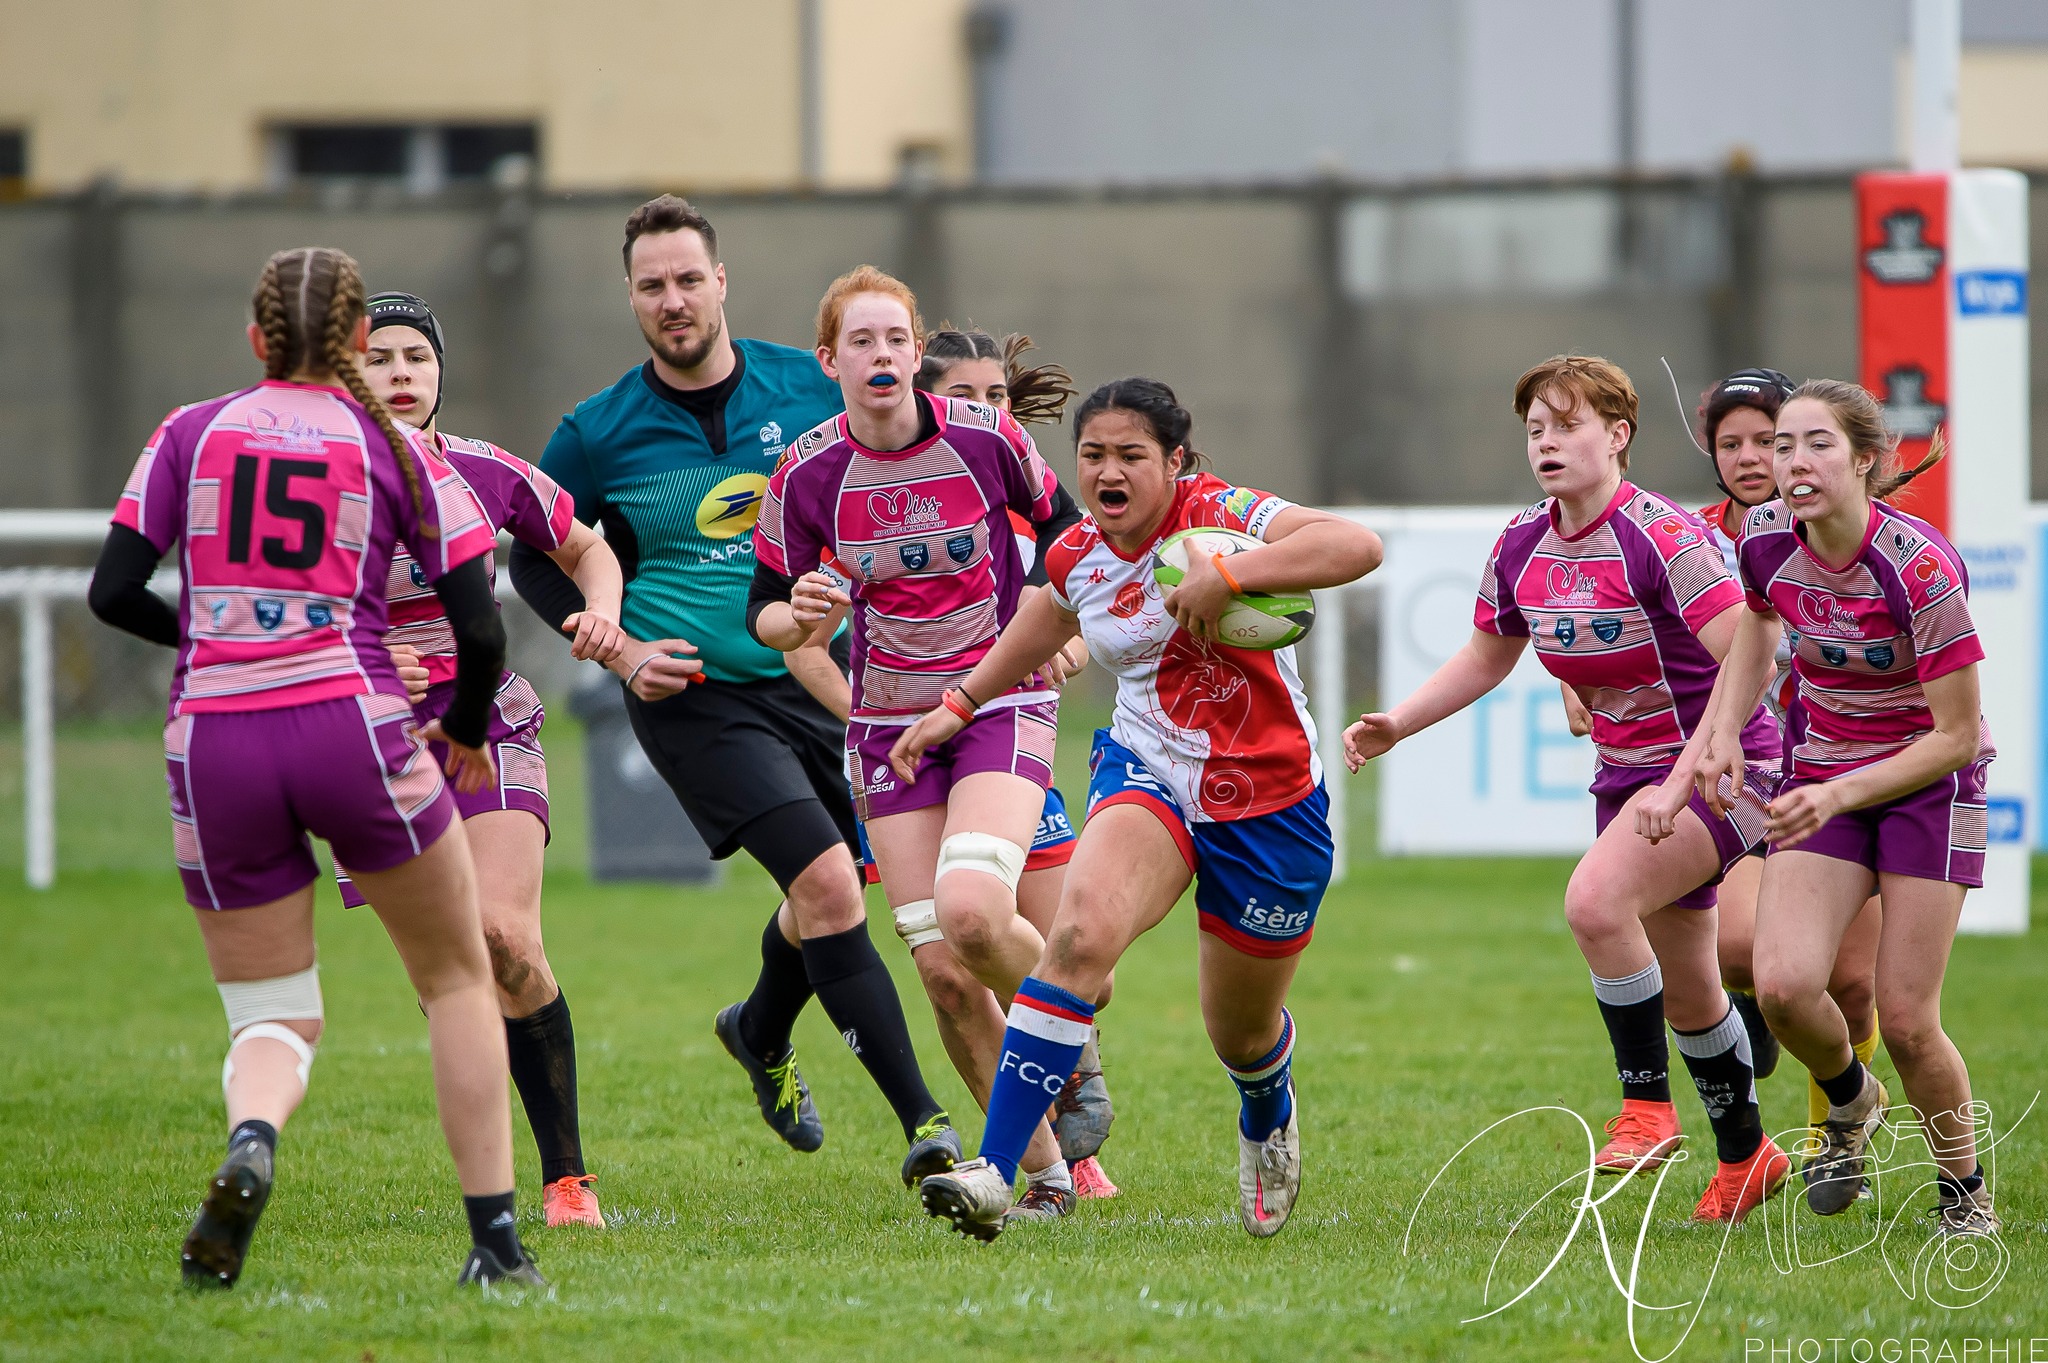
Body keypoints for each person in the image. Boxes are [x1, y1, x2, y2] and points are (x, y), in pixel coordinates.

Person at [87, 246, 543, 1288]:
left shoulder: (190, 431)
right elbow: (481, 631)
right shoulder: (393, 446)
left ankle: (254, 1138)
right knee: (456, 977)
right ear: (350, 346)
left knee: (271, 1010)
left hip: (214, 739)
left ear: (255, 339)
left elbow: (112, 592)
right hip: (351, 722)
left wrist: (214, 646)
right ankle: (497, 1244)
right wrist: (466, 728)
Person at [509, 197, 957, 1183]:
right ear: (631, 297)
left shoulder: (810, 387)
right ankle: (926, 1125)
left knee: (827, 891)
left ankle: (756, 1029)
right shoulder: (595, 433)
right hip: (694, 694)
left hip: (824, 679)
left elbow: (903, 463)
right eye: (651, 285)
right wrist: (619, 647)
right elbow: (535, 556)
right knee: (832, 884)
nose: (672, 300)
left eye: (686, 279)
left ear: (721, 282)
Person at [896, 377, 1380, 1240]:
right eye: (1092, 455)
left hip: (1269, 802)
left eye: (1130, 455)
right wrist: (959, 704)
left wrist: (1231, 572)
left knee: (1239, 1032)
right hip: (1147, 770)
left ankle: (1266, 1100)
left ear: (1176, 462)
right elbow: (1045, 620)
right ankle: (1000, 1170)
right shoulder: (1077, 551)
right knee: (1077, 938)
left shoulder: (1219, 511)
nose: (1107, 471)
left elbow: (1358, 544)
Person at [1345, 355, 1792, 1225]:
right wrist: (1400, 721)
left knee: (1593, 902)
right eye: (1535, 430)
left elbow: (1752, 650)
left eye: (1568, 424)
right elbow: (1487, 654)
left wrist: (1703, 759)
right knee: (1692, 986)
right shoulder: (1522, 541)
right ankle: (1747, 1155)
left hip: (1722, 766)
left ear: (1618, 436)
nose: (1547, 442)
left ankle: (1647, 1110)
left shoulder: (1663, 536)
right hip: (1628, 775)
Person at [750, 270, 1086, 1219]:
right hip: (887, 732)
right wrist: (797, 615)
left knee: (975, 914)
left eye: (896, 337)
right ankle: (1048, 1179)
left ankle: (1068, 1017)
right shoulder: (805, 474)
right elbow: (764, 615)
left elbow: (1065, 534)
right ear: (830, 362)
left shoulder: (986, 437)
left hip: (997, 699)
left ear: (915, 350)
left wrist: (1053, 626)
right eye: (861, 341)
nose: (883, 355)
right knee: (942, 969)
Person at [344, 290, 627, 1228]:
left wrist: (604, 614)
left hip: (489, 724)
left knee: (506, 938)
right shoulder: (320, 482)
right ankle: (490, 1186)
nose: (399, 374)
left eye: (415, 358)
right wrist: (374, 658)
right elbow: (278, 613)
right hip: (371, 746)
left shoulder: (480, 470)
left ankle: (567, 1180)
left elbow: (589, 550)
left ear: (438, 373)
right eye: (379, 357)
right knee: (451, 976)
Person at [1693, 381, 1996, 1237]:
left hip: (1932, 789)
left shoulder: (1919, 565)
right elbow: (1755, 627)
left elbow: (1957, 733)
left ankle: (1965, 1191)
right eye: (1782, 445)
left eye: (1815, 443)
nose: (1791, 462)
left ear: (1864, 459)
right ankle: (1853, 1099)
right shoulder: (1759, 539)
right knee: (1785, 986)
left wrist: (1836, 790)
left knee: (1905, 1017)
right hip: (1825, 776)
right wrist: (1721, 731)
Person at [1681, 368, 1884, 1144]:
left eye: (1769, 439)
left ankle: (1836, 1138)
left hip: (1850, 768)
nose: (1750, 456)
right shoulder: (1692, 536)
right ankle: (1763, 1021)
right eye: (1728, 442)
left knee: (1855, 986)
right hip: (1754, 773)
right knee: (1745, 953)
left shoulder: (1862, 534)